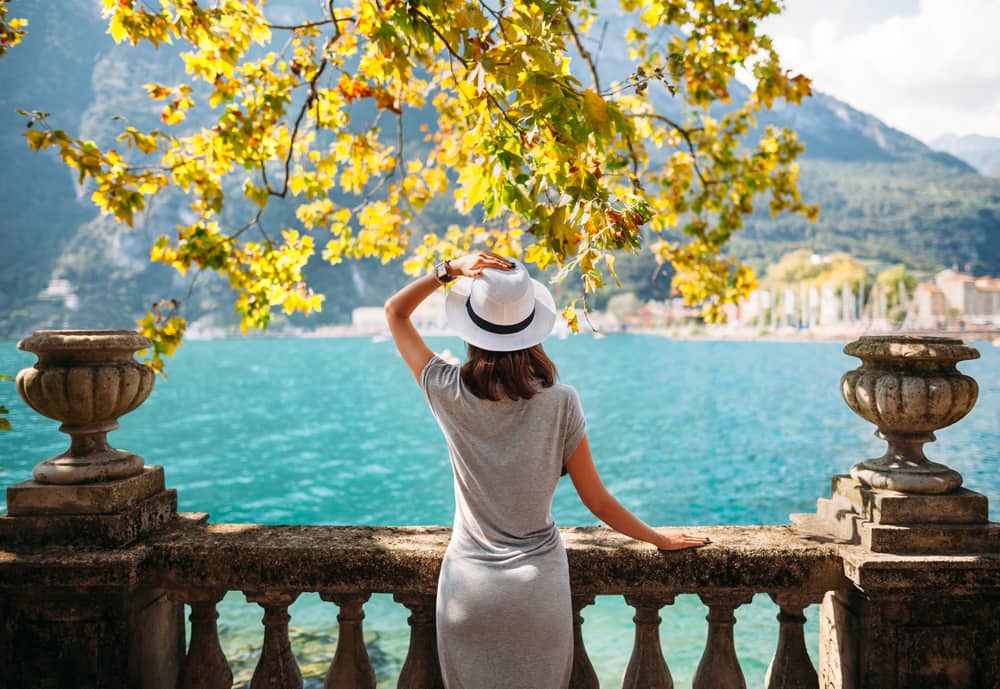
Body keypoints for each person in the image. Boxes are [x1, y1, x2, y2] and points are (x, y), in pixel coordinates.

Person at [385, 250, 709, 689]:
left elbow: (396, 313)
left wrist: (448, 270)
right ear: (532, 327)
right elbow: (596, 500)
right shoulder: (561, 402)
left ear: (472, 327)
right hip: (536, 591)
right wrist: (657, 538)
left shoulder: (447, 390)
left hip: (468, 590)